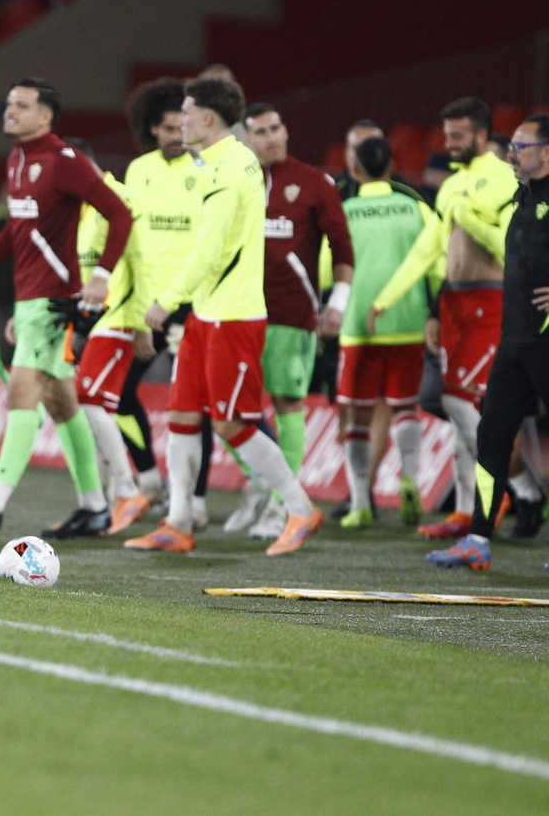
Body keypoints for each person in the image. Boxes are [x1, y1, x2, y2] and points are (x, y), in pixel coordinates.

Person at [129, 77, 324, 555]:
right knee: (180, 416)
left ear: (208, 119)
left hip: (233, 318)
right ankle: (178, 522)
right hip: (208, 315)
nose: (181, 122)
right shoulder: (221, 162)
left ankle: (300, 507)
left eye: (188, 113)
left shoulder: (229, 170)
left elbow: (212, 252)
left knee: (232, 423)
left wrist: (166, 299)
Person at [0, 80, 133, 537]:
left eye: (22, 105)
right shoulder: (17, 159)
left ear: (46, 116)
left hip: (57, 302)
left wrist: (101, 277)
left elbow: (120, 214)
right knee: (61, 402)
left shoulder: (64, 161)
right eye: (9, 103)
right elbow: (15, 231)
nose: (10, 111)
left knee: (22, 389)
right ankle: (94, 505)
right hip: (32, 301)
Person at [370, 98, 518, 540]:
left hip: (491, 302)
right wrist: (389, 297)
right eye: (446, 136)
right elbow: (431, 249)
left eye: (458, 137)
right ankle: (468, 508)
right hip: (454, 304)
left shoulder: (504, 177)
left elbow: (512, 246)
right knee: (457, 408)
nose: (449, 144)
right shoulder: (455, 184)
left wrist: (472, 220)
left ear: (482, 136)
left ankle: (494, 497)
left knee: (464, 406)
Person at [430, 114, 549, 570]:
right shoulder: (523, 196)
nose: (511, 154)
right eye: (511, 146)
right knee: (491, 437)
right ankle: (477, 538)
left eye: (521, 146)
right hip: (514, 344)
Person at [234, 104, 354, 540]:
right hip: (236, 312)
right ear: (245, 138)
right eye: (261, 131)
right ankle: (258, 483)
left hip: (291, 316)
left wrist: (337, 303)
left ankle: (284, 505)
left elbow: (343, 250)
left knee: (286, 404)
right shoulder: (235, 180)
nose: (271, 137)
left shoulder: (313, 183)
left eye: (276, 128)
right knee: (229, 409)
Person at [117, 78, 211, 518]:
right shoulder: (139, 171)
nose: (177, 137)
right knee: (118, 395)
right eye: (168, 129)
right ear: (152, 129)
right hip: (144, 305)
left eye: (182, 128)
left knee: (193, 403)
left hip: (191, 303)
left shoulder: (205, 169)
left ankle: (195, 499)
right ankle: (148, 476)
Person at [336, 136, 437, 528]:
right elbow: (436, 259)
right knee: (404, 408)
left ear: (355, 168)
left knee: (357, 417)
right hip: (408, 323)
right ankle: (409, 478)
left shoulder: (345, 211)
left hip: (359, 325)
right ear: (392, 167)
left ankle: (360, 502)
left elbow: (329, 269)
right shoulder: (416, 207)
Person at [64, 139, 154, 536]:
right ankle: (98, 503)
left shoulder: (118, 199)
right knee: (90, 407)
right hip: (90, 322)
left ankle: (128, 489)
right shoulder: (81, 210)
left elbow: (140, 263)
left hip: (118, 319)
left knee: (88, 400)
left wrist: (143, 323)